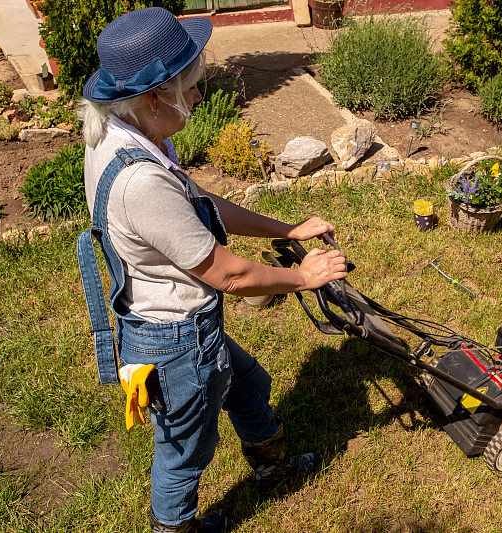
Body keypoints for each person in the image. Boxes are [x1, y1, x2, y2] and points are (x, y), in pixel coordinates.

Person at [76, 7, 347, 532]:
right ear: (153, 97)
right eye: (190, 86)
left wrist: (286, 231)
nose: (198, 96)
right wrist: (305, 277)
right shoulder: (140, 182)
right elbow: (231, 277)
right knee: (184, 451)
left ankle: (273, 467)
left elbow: (201, 206)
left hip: (188, 330)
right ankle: (176, 527)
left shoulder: (128, 135)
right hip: (175, 341)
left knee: (248, 385)